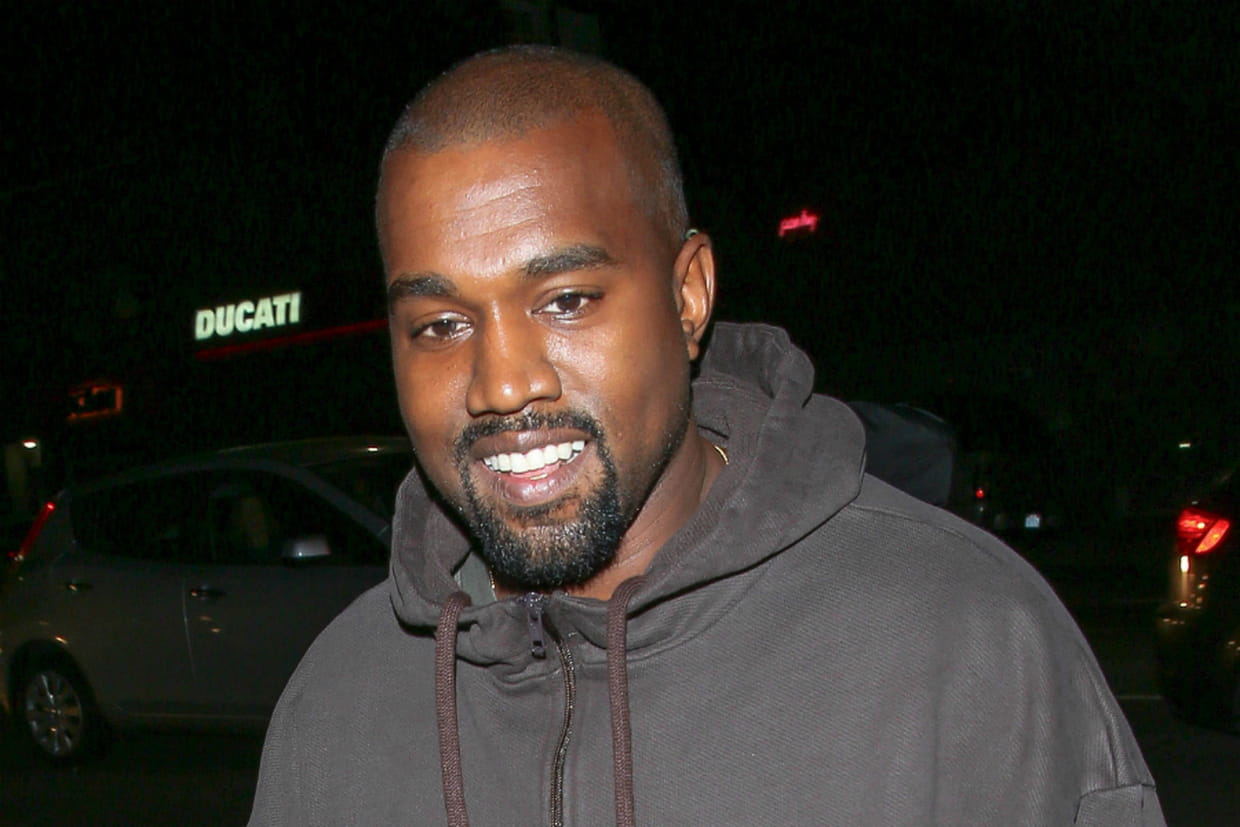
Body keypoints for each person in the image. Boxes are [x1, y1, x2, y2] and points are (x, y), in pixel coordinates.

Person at [250, 46, 1163, 826]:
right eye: (441, 324)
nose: (503, 383)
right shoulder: (335, 709)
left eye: (566, 301)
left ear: (687, 297)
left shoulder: (967, 646)